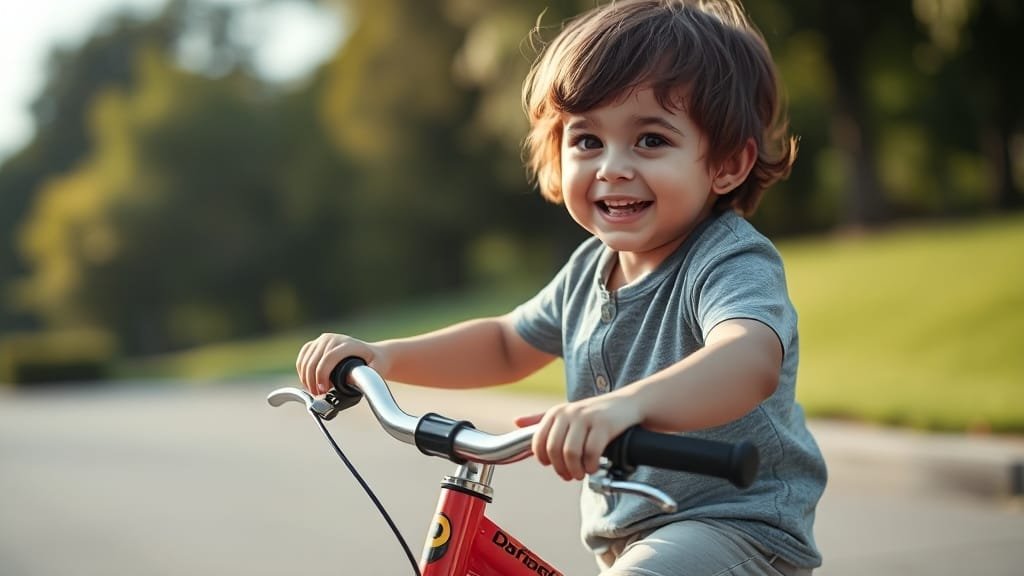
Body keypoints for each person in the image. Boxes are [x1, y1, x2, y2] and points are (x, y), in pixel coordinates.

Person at [296, 0, 827, 574]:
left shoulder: (726, 259)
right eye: (587, 141)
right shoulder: (589, 268)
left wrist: (625, 406)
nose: (612, 167)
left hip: (736, 528)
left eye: (650, 140)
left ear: (726, 164)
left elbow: (749, 357)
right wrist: (383, 357)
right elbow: (505, 343)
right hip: (628, 538)